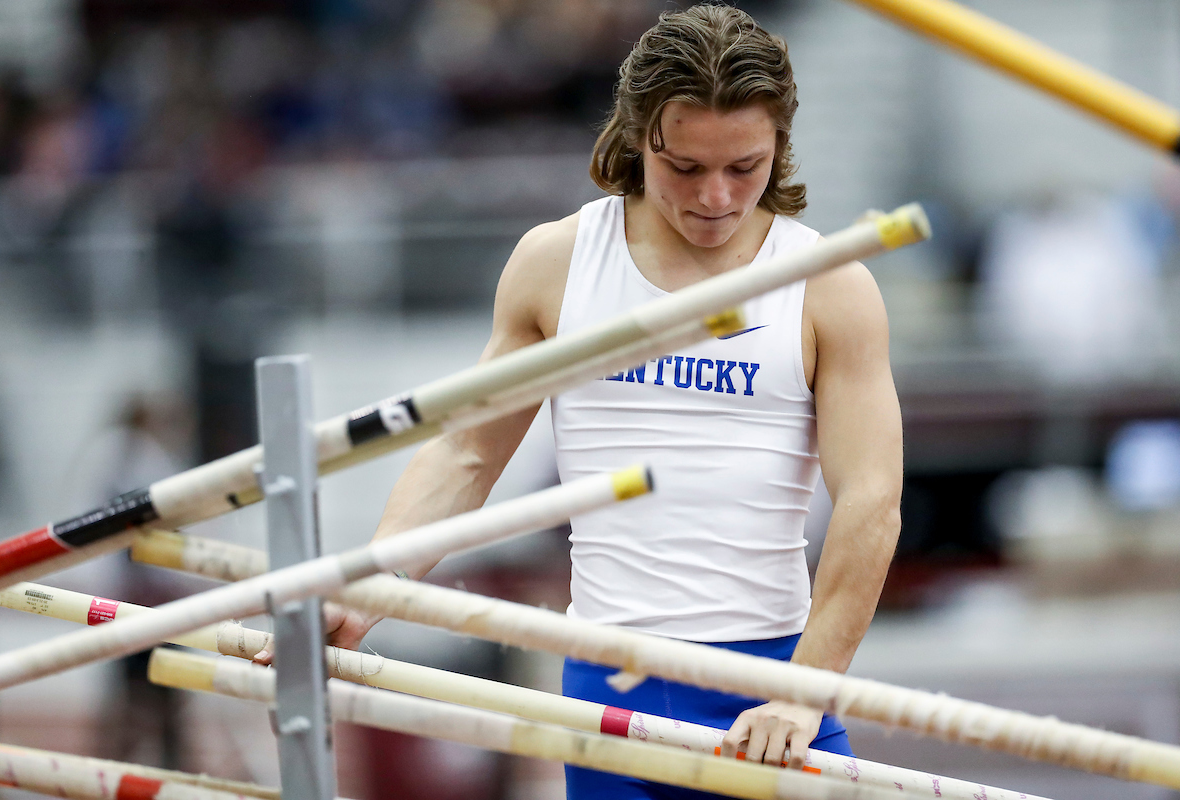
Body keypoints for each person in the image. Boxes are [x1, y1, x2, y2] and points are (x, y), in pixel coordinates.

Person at [329, 5, 902, 797]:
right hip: (608, 680)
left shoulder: (830, 286)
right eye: (687, 168)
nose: (715, 197)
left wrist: (805, 690)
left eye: (745, 166)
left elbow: (871, 501)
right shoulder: (556, 264)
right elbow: (467, 453)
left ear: (780, 144)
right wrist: (368, 587)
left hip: (771, 679)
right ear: (638, 138)